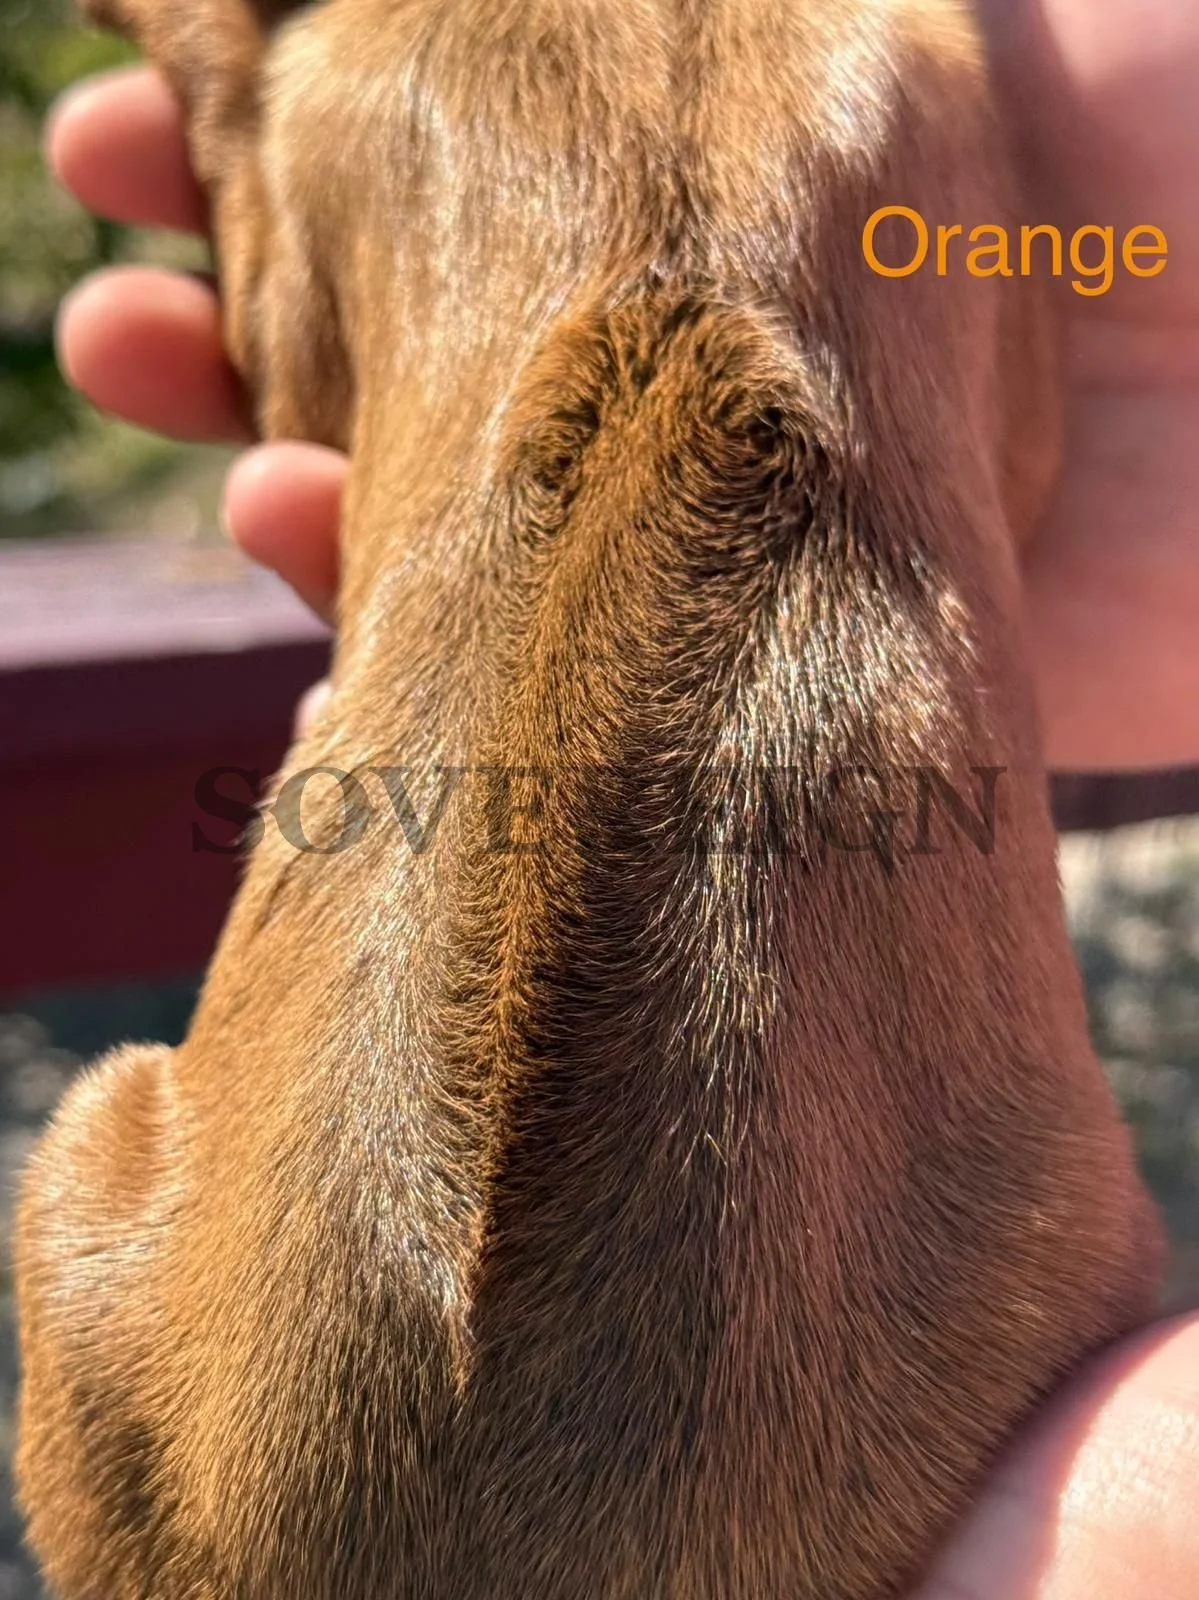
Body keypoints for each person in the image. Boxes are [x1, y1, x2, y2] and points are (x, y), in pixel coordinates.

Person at [43, 2, 1199, 1592]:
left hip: (251, 1476)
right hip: (891, 1454)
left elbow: (301, 391)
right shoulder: (918, 70)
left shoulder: (364, 78)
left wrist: (221, 69)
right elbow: (1027, 456)